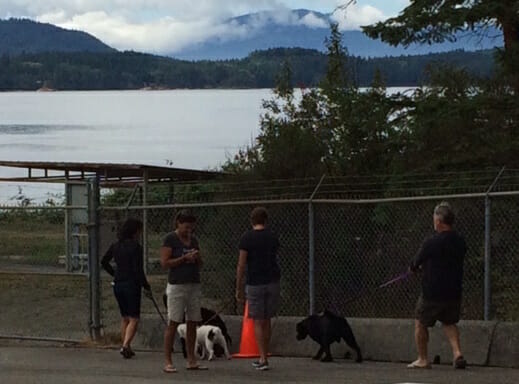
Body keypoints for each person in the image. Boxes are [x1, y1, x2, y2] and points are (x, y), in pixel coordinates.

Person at [408, 202, 467, 369]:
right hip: (454, 290)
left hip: (432, 292)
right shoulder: (460, 241)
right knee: (449, 322)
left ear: (440, 221)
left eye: (435, 218)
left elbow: (415, 263)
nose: (433, 221)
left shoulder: (431, 242)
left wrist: (415, 268)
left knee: (420, 322)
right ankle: (457, 353)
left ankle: (423, 359)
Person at [160, 210, 207, 373]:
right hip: (177, 285)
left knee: (193, 322)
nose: (189, 230)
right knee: (174, 322)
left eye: (191, 227)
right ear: (178, 224)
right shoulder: (170, 239)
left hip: (193, 284)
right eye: (186, 227)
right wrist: (183, 259)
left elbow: (201, 264)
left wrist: (197, 257)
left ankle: (191, 359)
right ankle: (168, 360)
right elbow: (165, 263)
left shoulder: (194, 240)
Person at [236, 207, 281, 371]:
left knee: (257, 320)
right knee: (267, 319)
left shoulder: (247, 238)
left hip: (255, 282)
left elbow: (242, 264)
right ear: (266, 220)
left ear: (252, 220)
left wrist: (238, 286)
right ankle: (265, 352)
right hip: (272, 280)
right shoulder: (272, 237)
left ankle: (262, 357)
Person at [101, 217, 152, 359]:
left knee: (125, 317)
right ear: (135, 231)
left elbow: (104, 261)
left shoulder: (116, 245)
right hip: (131, 284)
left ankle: (126, 345)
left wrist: (114, 273)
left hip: (118, 283)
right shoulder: (136, 247)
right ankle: (125, 345)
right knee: (134, 317)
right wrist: (145, 285)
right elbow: (138, 269)